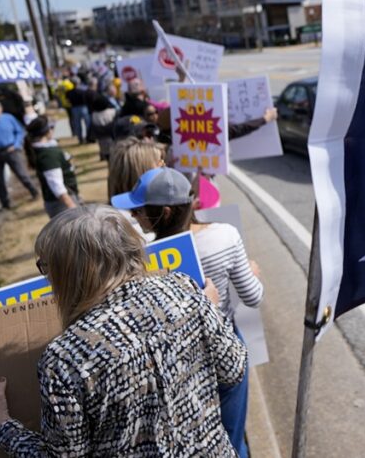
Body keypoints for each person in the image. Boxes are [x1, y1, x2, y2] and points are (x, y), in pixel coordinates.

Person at [0, 205, 247, 456]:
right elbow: (234, 368)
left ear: (68, 274)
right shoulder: (184, 289)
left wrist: (1, 423)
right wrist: (207, 314)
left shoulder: (63, 358)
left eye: (47, 267)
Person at [112, 167, 262, 458]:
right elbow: (253, 297)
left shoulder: (139, 258)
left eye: (139, 210)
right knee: (232, 439)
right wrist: (253, 273)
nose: (133, 216)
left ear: (165, 212)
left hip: (173, 361)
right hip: (227, 344)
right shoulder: (225, 236)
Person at [0, 101, 39, 210]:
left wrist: (16, 145)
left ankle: (34, 192)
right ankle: (5, 203)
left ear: (0, 109)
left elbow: (20, 131)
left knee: (22, 173)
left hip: (11, 150)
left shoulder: (8, 118)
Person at [26, 116, 81, 219]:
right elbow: (56, 185)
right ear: (46, 131)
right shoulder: (48, 156)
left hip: (61, 201)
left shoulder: (46, 150)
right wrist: (71, 206)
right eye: (51, 127)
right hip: (61, 205)